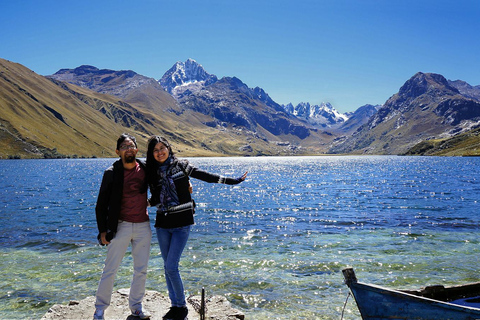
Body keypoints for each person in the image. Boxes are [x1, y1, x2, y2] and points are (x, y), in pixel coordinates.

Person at [146, 135, 247, 320]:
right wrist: (141, 204)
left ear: (168, 148)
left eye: (162, 148)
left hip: (182, 223)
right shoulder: (152, 173)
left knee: (171, 266)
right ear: (151, 154)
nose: (160, 152)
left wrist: (232, 181)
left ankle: (181, 306)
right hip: (162, 224)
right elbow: (155, 198)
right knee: (167, 267)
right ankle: (174, 303)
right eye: (155, 150)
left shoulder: (182, 166)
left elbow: (205, 176)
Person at [93, 133, 152, 320]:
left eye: (132, 145)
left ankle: (136, 307)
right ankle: (100, 308)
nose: (129, 149)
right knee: (110, 268)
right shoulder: (111, 172)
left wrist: (187, 184)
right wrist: (102, 230)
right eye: (125, 146)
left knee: (141, 269)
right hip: (120, 226)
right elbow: (101, 204)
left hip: (143, 225)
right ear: (118, 151)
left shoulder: (145, 168)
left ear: (137, 149)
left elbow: (164, 182)